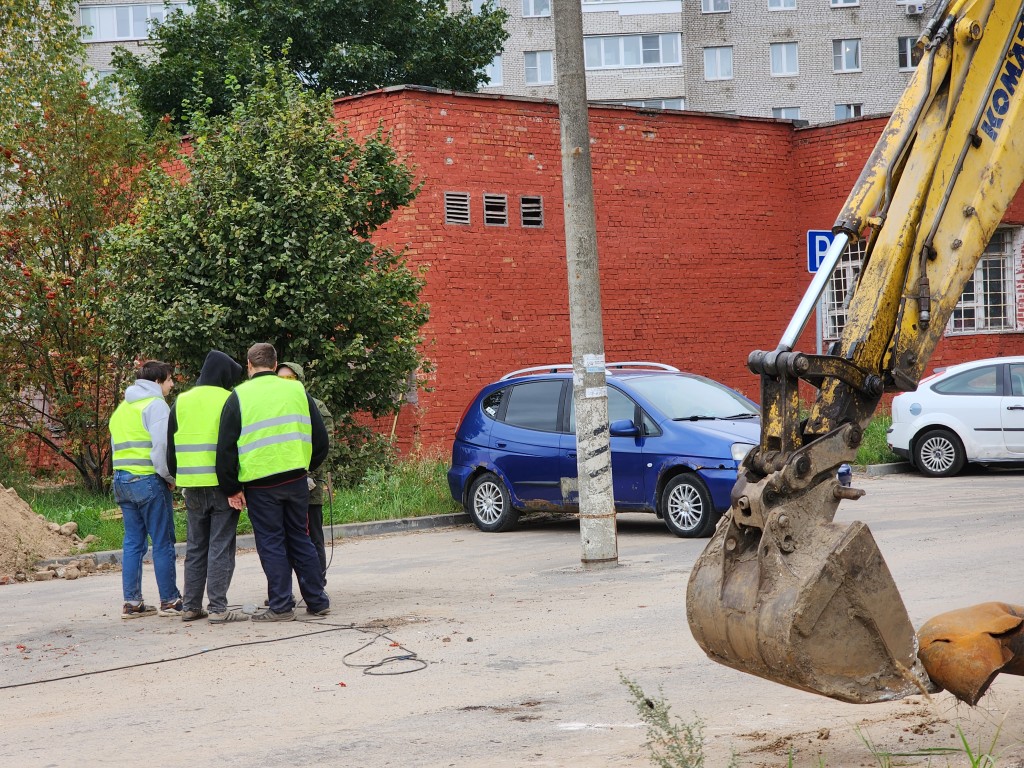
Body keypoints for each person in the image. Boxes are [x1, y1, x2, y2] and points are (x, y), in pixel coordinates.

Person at [215, 343, 331, 622]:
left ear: (249, 365)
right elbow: (321, 440)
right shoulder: (297, 391)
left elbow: (226, 448)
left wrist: (231, 487)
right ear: (276, 362)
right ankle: (317, 600)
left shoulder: (239, 396)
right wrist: (306, 465)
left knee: (271, 542)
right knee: (300, 538)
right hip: (295, 477)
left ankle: (281, 606)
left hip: (260, 484)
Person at [167, 350, 247, 624]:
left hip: (191, 485)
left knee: (196, 546)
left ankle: (190, 606)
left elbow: (171, 447)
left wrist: (179, 478)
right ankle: (217, 608)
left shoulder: (181, 400)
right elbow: (234, 444)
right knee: (220, 546)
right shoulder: (229, 399)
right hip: (222, 485)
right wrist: (236, 485)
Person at [109, 360, 182, 619]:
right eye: (170, 379)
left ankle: (132, 603)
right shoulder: (156, 406)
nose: (172, 384)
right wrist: (170, 477)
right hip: (148, 481)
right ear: (157, 381)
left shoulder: (122, 409)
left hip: (121, 481)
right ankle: (170, 601)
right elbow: (160, 449)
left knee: (133, 543)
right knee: (162, 542)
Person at [276, 361, 334, 580]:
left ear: (299, 381)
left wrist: (310, 475)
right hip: (282, 484)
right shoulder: (273, 406)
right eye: (279, 379)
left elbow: (326, 447)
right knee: (283, 539)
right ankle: (284, 589)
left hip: (310, 484)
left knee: (312, 536)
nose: (284, 384)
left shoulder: (316, 406)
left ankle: (316, 582)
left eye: (289, 379)